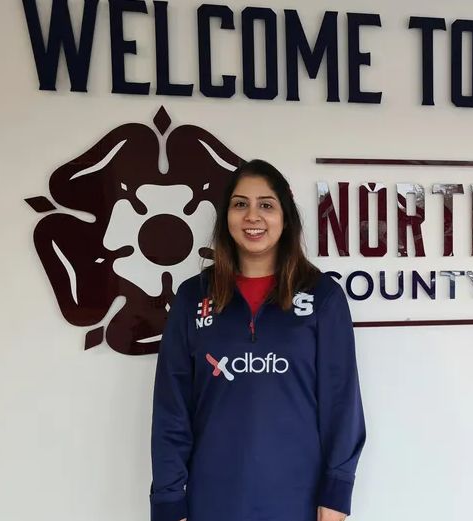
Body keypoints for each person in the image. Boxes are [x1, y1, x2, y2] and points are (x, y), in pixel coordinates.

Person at [149, 159, 366, 521]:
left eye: (266, 205)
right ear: (226, 216)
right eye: (240, 204)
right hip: (211, 501)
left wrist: (337, 495)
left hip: (298, 501)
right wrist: (170, 503)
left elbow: (342, 406)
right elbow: (172, 411)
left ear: (286, 217)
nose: (253, 216)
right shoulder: (192, 298)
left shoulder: (322, 298)